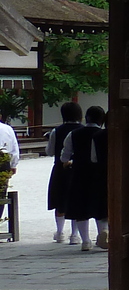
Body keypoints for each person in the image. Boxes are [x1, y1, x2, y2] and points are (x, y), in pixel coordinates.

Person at [61, 106, 108, 252]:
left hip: (79, 174)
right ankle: (102, 233)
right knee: (100, 206)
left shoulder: (73, 134)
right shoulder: (103, 134)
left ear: (86, 117)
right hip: (99, 175)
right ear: (102, 120)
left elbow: (64, 156)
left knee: (80, 208)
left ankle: (86, 241)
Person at [46, 102, 83, 244]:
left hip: (60, 169)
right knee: (76, 200)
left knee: (59, 200)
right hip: (79, 169)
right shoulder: (83, 130)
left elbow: (49, 151)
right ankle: (75, 235)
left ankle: (60, 232)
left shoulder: (56, 131)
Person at [0, 111, 18, 237]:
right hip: (4, 160)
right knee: (1, 194)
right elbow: (14, 149)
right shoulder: (7, 129)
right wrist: (13, 165)